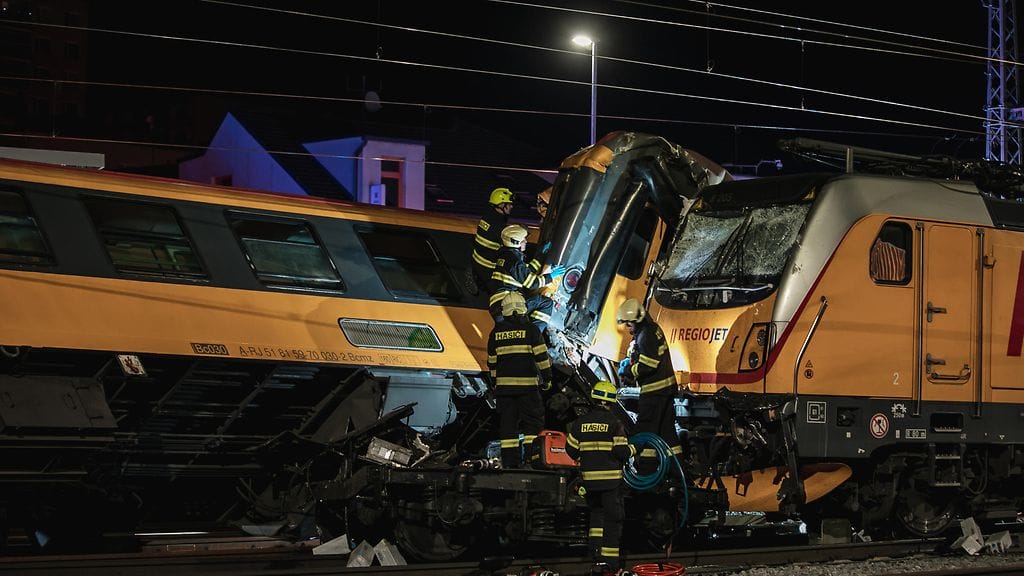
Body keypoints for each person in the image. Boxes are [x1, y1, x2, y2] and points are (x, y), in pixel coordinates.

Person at [565, 381, 635, 576]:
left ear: (594, 398)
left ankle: (595, 554)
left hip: (589, 482)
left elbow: (570, 451)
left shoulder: (580, 423)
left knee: (596, 516)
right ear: (611, 401)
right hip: (611, 481)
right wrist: (635, 449)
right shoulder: (615, 424)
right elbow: (621, 452)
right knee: (613, 520)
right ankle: (610, 563)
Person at [487, 291, 553, 469]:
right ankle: (533, 461)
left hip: (505, 391)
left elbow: (492, 362)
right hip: (528, 389)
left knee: (508, 429)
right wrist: (547, 378)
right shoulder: (531, 330)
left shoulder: (496, 333)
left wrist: (495, 382)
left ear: (505, 310)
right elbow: (542, 357)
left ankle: (510, 464)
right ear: (523, 308)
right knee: (533, 425)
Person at [616, 298, 682, 475]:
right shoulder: (652, 329)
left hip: (654, 392)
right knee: (666, 433)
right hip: (665, 390)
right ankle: (677, 471)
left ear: (637, 320)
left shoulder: (646, 335)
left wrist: (629, 370)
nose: (628, 329)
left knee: (644, 429)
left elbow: (648, 365)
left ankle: (645, 470)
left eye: (629, 325)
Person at [490, 224, 565, 332]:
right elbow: (532, 283)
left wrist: (541, 256)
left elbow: (527, 271)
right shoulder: (513, 261)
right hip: (509, 306)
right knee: (546, 303)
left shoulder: (507, 256)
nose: (526, 241)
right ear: (516, 242)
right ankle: (534, 335)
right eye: (523, 239)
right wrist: (551, 276)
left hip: (500, 306)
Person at [471, 187, 515, 294]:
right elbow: (510, 243)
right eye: (508, 204)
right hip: (489, 268)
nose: (511, 206)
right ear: (501, 205)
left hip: (477, 261)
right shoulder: (499, 225)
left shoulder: (486, 217)